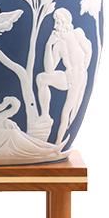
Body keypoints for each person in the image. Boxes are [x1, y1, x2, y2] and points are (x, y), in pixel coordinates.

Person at [36, 8, 92, 144]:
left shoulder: (77, 34)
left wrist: (82, 70)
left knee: (66, 111)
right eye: (56, 22)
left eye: (59, 22)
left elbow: (89, 50)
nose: (56, 25)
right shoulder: (59, 45)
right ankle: (45, 115)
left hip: (78, 77)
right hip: (67, 76)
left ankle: (58, 143)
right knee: (41, 78)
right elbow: (49, 69)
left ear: (66, 21)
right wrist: (49, 45)